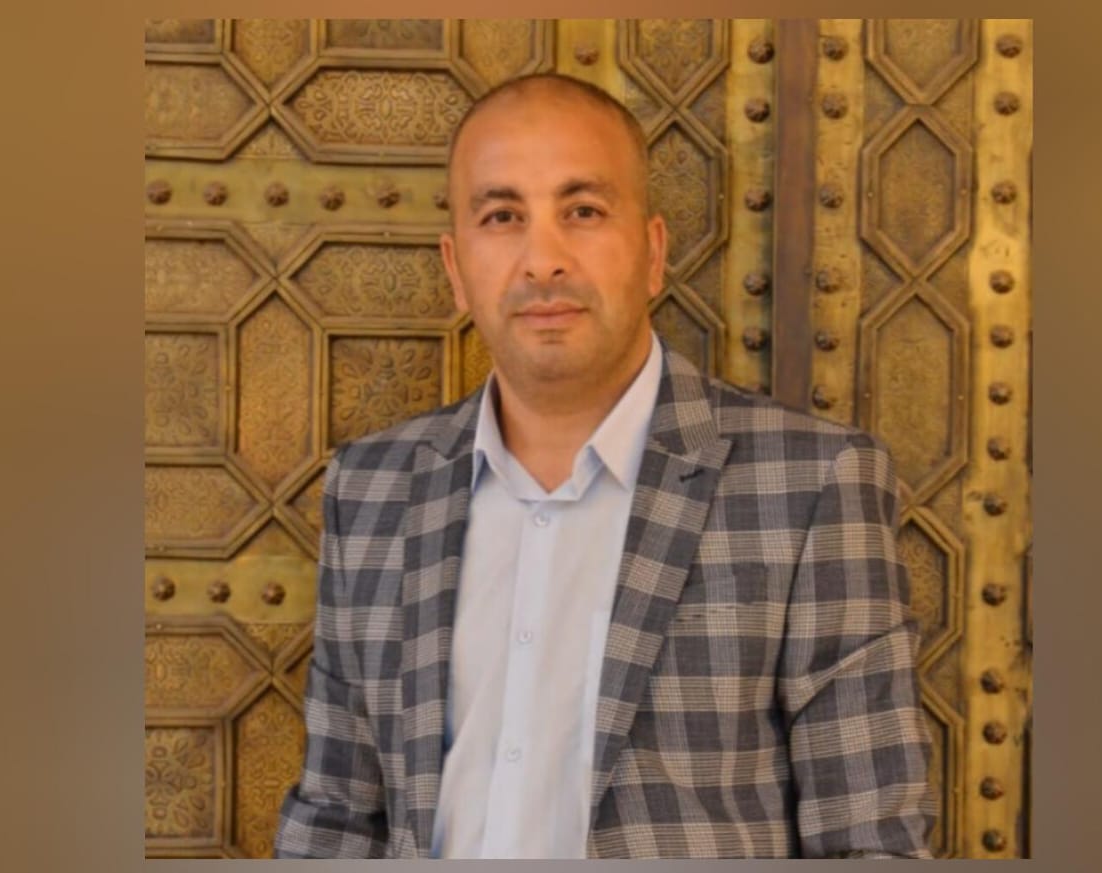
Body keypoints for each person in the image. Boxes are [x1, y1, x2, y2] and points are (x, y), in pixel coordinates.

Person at [274, 73, 935, 859]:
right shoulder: (371, 488)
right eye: (502, 216)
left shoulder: (812, 484)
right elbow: (335, 818)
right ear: (455, 267)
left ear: (652, 252)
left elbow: (871, 839)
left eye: (582, 211)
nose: (542, 260)